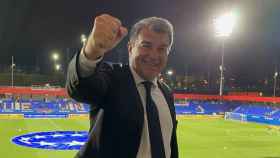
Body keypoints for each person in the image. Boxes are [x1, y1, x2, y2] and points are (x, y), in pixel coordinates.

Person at [66, 14, 178, 158]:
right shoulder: (112, 78)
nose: (154, 55)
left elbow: (170, 145)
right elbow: (81, 87)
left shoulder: (166, 93)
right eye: (146, 45)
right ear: (130, 48)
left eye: (162, 49)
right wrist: (93, 49)